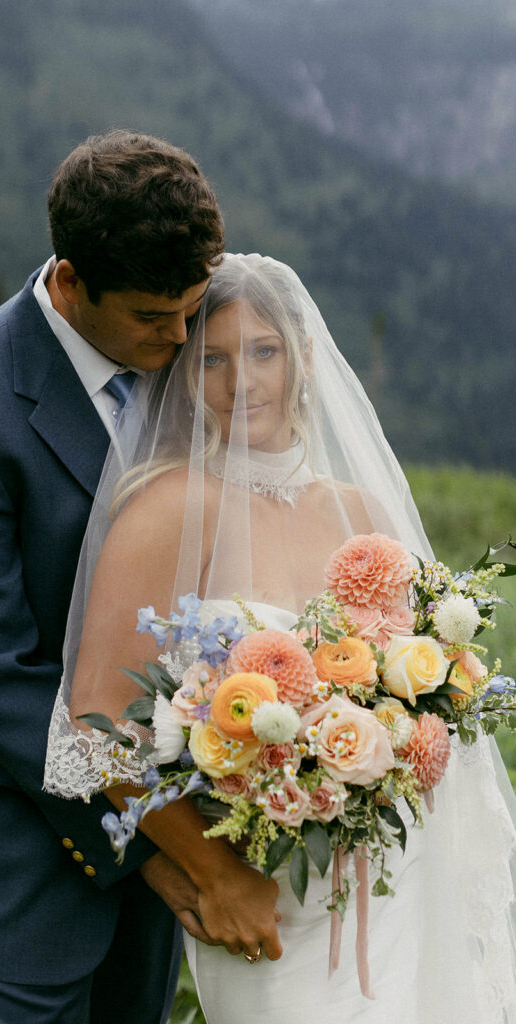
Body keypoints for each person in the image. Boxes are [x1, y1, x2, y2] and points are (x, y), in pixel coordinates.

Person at [45, 253, 516, 1022]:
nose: (242, 383)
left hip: (404, 877)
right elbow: (88, 731)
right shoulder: (164, 508)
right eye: (213, 359)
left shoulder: (359, 510)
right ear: (183, 372)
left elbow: (434, 691)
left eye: (263, 352)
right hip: (267, 891)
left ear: (300, 355)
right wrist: (211, 870)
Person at [0, 129, 257, 1024]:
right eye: (147, 317)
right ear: (69, 278)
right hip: (12, 859)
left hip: (161, 837)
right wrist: (168, 847)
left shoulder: (186, 354)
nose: (178, 337)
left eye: (190, 307)